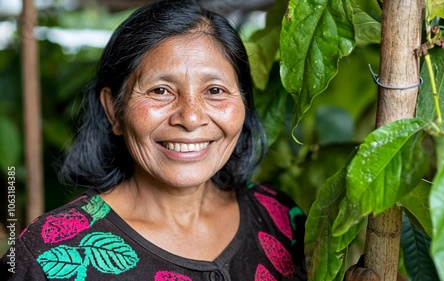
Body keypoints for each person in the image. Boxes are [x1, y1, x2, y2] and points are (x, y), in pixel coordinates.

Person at [0, 0, 308, 280]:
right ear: (114, 110)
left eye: (215, 90)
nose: (190, 117)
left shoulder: (281, 219)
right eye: (160, 90)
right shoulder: (48, 256)